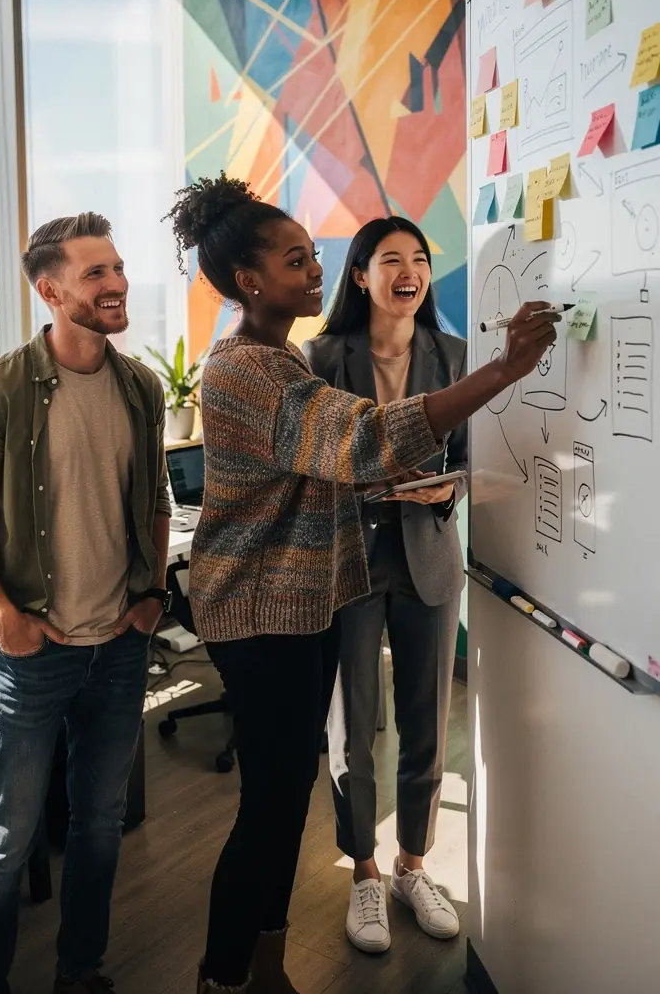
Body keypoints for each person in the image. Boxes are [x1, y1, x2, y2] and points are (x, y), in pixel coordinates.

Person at [164, 175, 558, 994]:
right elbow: (362, 441)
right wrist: (506, 370)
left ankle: (266, 971)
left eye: (315, 257)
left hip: (303, 603)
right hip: (260, 612)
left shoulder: (278, 355)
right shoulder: (247, 369)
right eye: (298, 260)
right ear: (247, 279)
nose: (317, 270)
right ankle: (223, 978)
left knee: (283, 804)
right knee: (268, 813)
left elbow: (327, 471)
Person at [0, 212, 172, 994]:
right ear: (51, 289)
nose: (117, 284)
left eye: (118, 268)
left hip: (120, 644)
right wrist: (2, 611)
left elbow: (158, 498)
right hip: (30, 653)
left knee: (99, 826)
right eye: (96, 273)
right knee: (4, 841)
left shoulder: (140, 386)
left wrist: (153, 594)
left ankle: (81, 972)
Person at [304, 216, 467, 955]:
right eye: (391, 259)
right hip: (350, 560)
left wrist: (448, 490)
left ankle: (411, 865)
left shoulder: (457, 356)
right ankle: (363, 870)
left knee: (427, 726)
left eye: (421, 260)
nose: (410, 271)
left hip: (428, 556)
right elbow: (307, 464)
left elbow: (473, 460)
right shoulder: (322, 357)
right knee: (354, 729)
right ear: (361, 274)